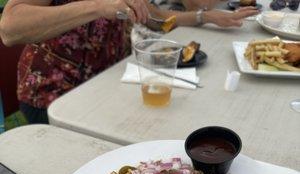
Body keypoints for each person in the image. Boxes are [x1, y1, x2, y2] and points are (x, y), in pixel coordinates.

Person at [0, 0, 258, 124]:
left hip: (110, 87)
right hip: (55, 97)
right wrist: (98, 6)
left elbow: (153, 17)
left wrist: (206, 16)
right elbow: (10, 27)